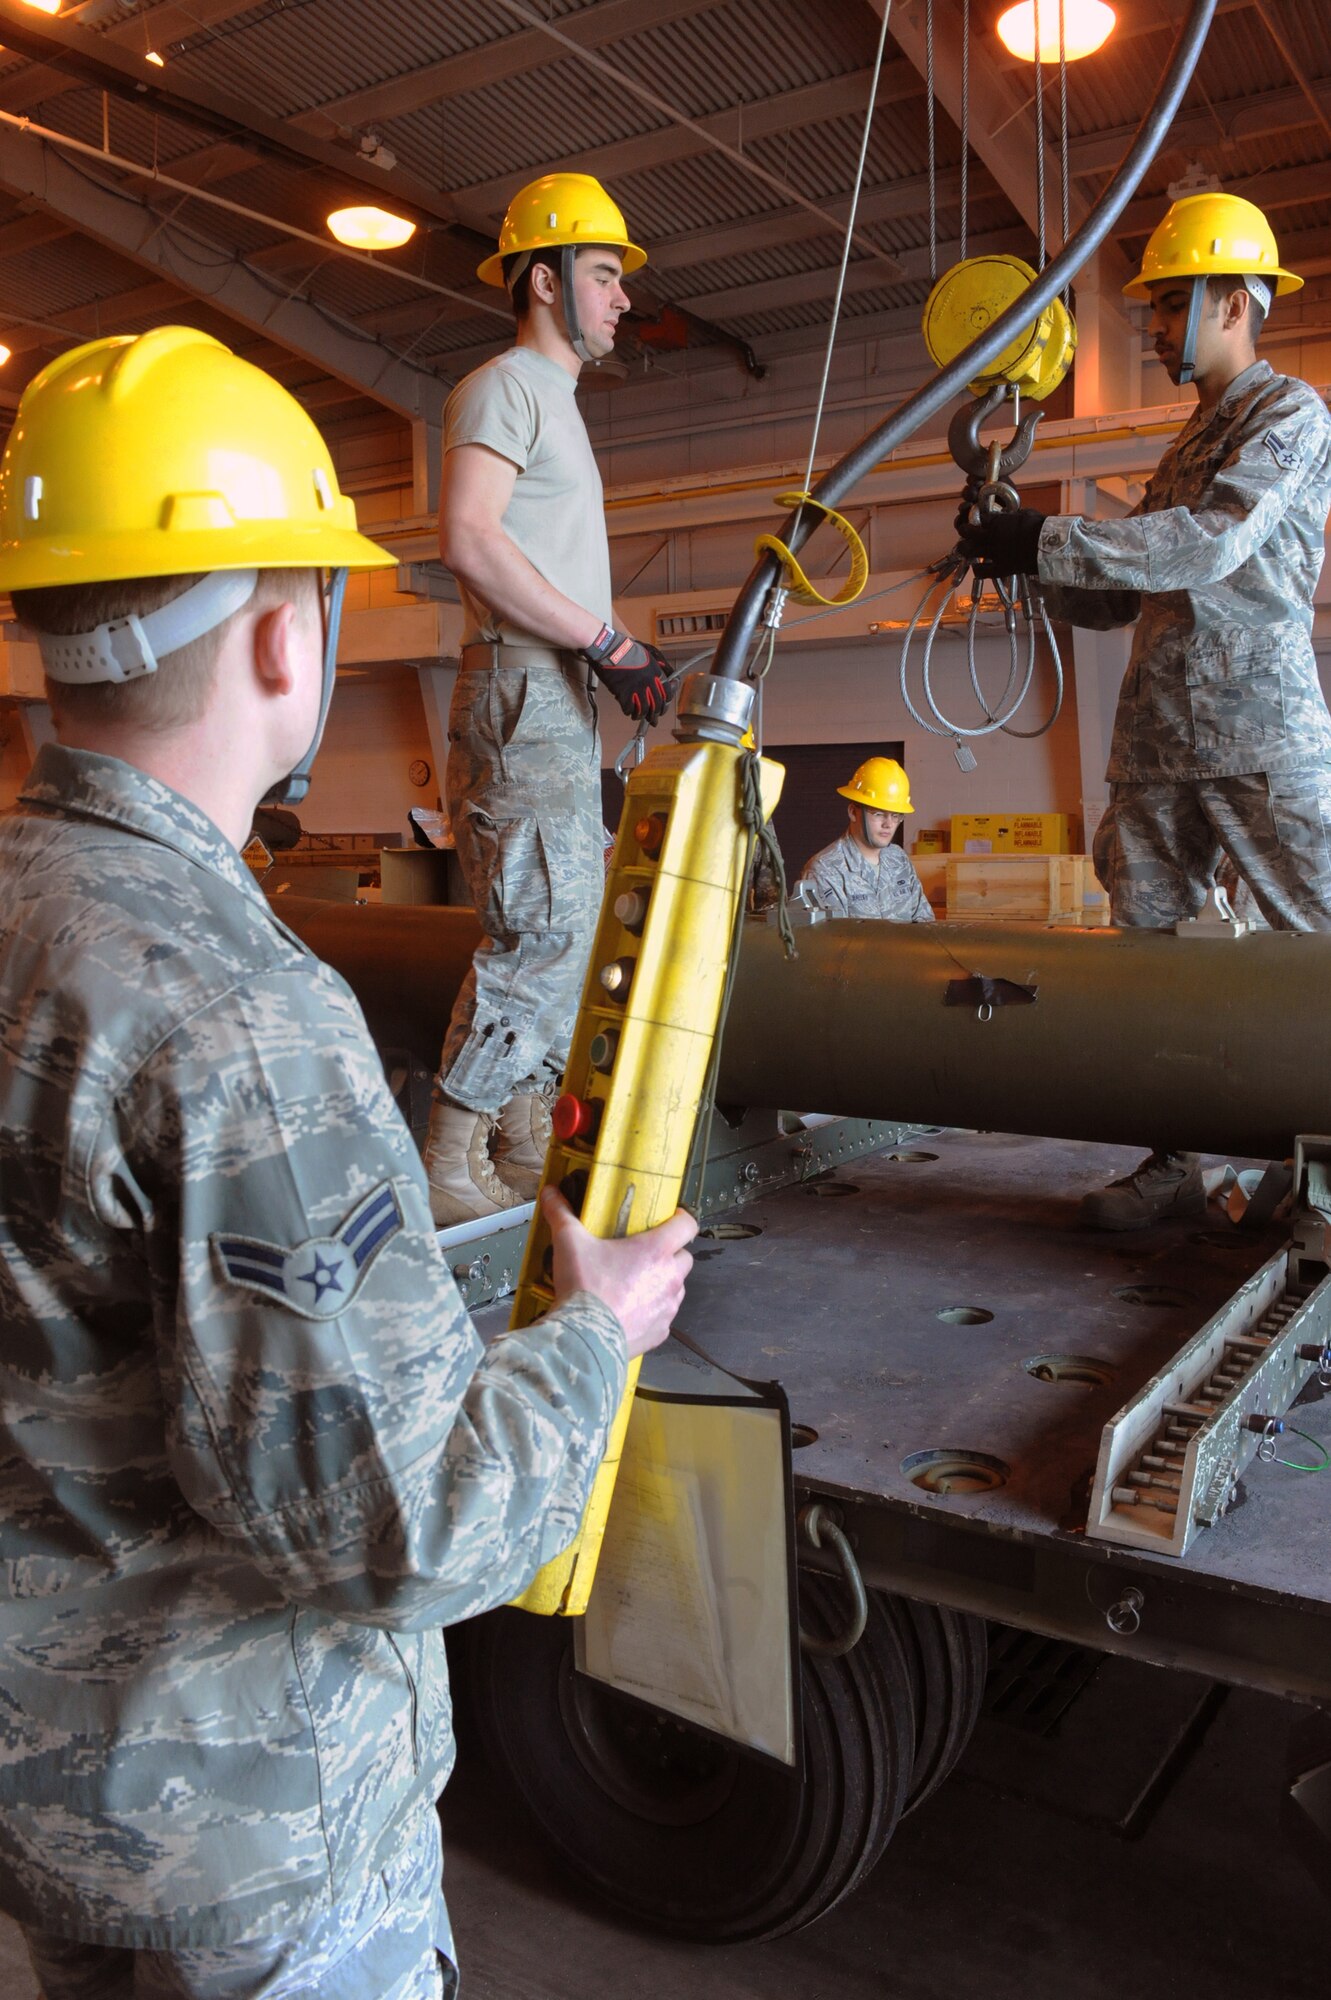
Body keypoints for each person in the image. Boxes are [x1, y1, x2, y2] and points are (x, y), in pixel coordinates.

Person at [0, 325, 697, 1999]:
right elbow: (402, 1526)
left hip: (55, 1801)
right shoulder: (234, 1012)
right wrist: (593, 1339)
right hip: (260, 1840)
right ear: (274, 636)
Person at [958, 192, 1331, 1228]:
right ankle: (1179, 1159)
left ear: (1230, 298)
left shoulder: (1289, 414)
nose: (1156, 328)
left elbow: (1210, 542)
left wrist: (1046, 538)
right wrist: (1018, 559)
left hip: (1257, 735)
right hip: (1157, 744)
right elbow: (1118, 592)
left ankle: (1325, 1176)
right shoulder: (1184, 442)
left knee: (1312, 952)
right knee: (1149, 966)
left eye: (1169, 306)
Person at [425, 171, 674, 1228]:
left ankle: (521, 1137)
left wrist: (601, 654)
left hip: (552, 686)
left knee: (560, 931)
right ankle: (447, 1147)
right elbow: (469, 538)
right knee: (542, 931)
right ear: (544, 279)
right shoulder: (505, 386)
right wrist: (602, 636)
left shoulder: (555, 404)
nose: (621, 297)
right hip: (526, 685)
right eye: (605, 274)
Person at [799, 756, 934, 921]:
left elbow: (925, 922)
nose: (889, 824)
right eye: (878, 814)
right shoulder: (825, 870)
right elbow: (830, 941)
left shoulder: (898, 859)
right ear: (853, 812)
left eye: (895, 815)